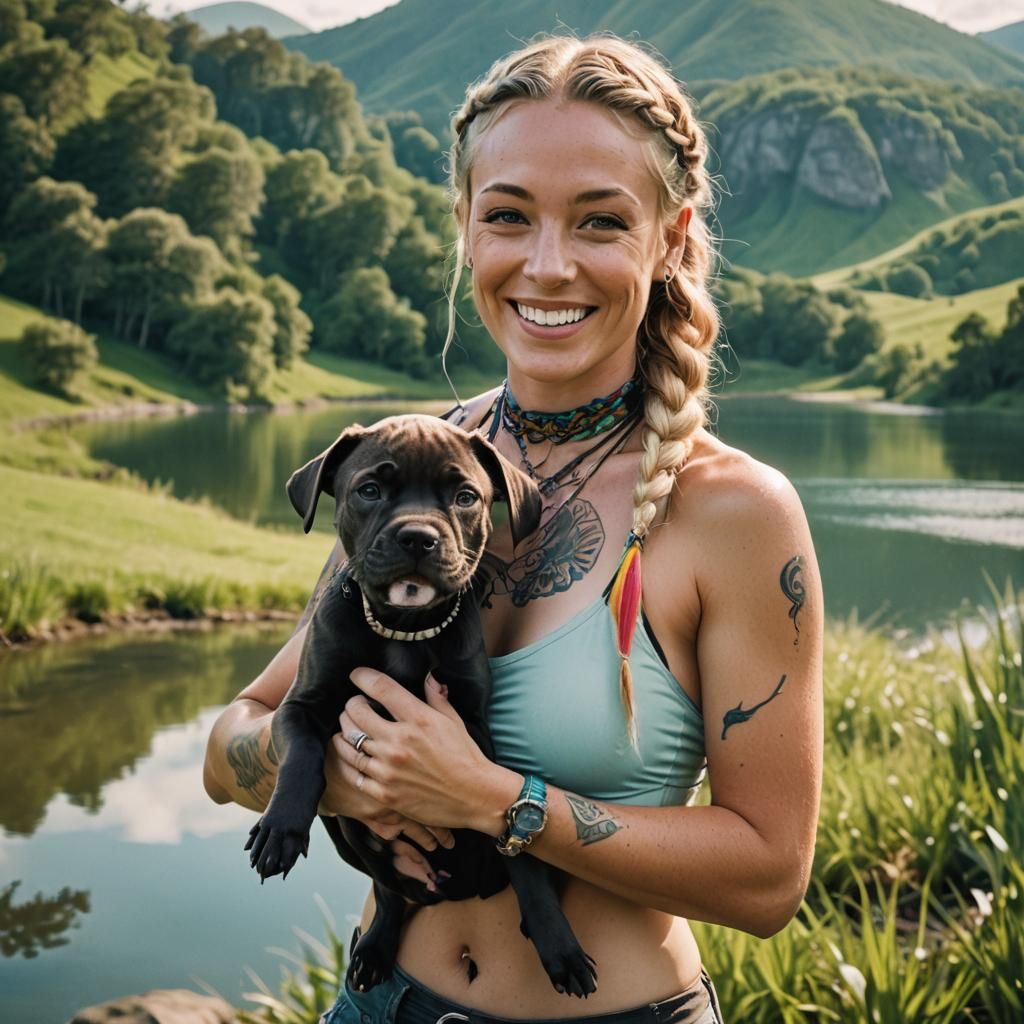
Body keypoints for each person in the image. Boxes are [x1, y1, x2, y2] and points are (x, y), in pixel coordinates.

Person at [203, 34, 823, 1024]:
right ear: (464, 228)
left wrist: (494, 799)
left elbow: (767, 880)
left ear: (669, 237)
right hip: (377, 1006)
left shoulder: (734, 511)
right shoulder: (409, 472)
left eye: (599, 221)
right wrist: (341, 779)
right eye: (507, 215)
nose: (546, 264)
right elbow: (228, 740)